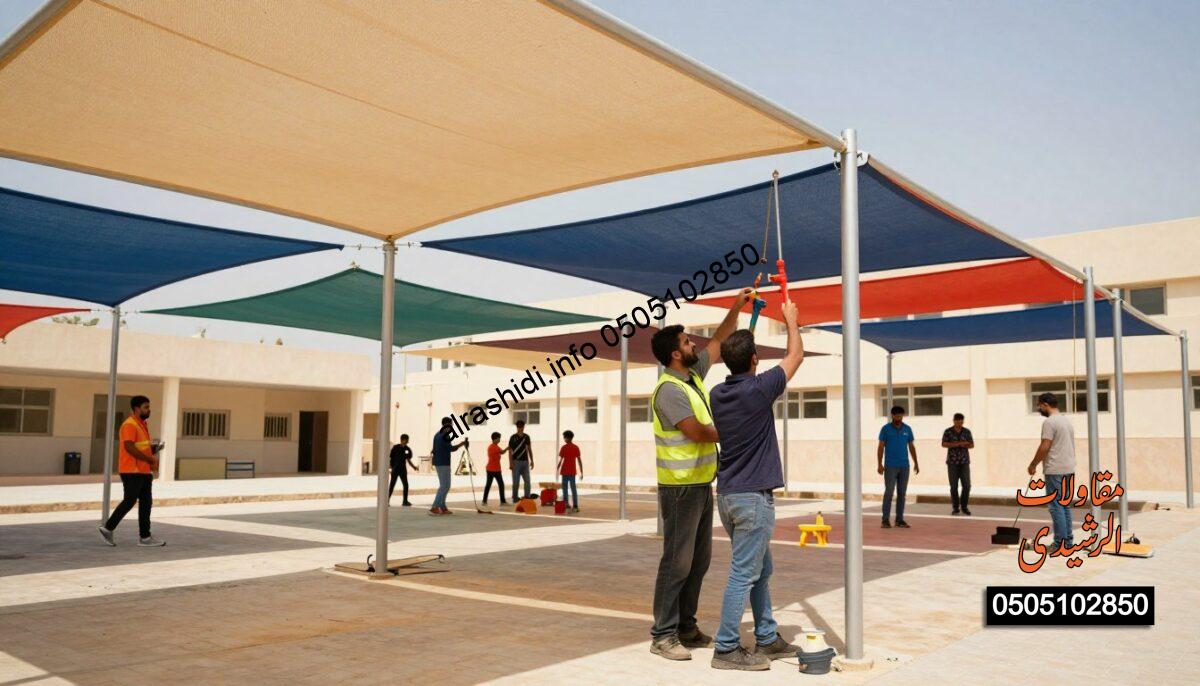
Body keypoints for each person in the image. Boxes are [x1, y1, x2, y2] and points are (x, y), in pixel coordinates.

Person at [647, 288, 751, 662]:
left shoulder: (691, 378)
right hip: (679, 490)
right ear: (676, 353)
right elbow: (696, 432)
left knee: (698, 561)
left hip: (700, 485)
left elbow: (721, 340)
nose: (695, 345)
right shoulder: (669, 389)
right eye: (688, 342)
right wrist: (736, 425)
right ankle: (662, 634)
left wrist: (738, 305)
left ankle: (686, 628)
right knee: (676, 562)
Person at [707, 300, 805, 671]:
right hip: (752, 499)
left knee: (760, 570)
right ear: (754, 361)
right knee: (744, 574)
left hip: (730, 497)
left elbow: (745, 371)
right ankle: (727, 648)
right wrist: (791, 321)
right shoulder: (759, 390)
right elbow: (795, 356)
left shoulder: (719, 393)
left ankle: (767, 637)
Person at [98, 395, 166, 546]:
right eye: (146, 407)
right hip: (132, 470)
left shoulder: (142, 425)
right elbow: (129, 447)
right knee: (130, 500)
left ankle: (145, 537)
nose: (149, 410)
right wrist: (149, 459)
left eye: (149, 407)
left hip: (143, 471)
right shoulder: (130, 425)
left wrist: (153, 449)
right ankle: (108, 528)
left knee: (146, 503)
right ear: (136, 408)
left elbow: (140, 446)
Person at [1028, 392, 1076, 552]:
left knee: (1056, 506)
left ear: (1045, 405)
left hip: (1055, 469)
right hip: (1068, 468)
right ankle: (1067, 541)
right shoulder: (1065, 420)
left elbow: (1045, 446)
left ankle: (1059, 543)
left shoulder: (1050, 422)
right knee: (1064, 506)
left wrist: (1033, 464)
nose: (1038, 408)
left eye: (1039, 405)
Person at [878, 405, 919, 528]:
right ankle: (885, 520)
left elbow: (911, 446)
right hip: (890, 466)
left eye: (901, 415)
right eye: (897, 415)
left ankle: (899, 519)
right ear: (892, 415)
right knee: (889, 492)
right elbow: (880, 447)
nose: (899, 417)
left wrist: (916, 462)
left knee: (902, 493)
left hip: (904, 466)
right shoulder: (885, 429)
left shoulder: (907, 429)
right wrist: (879, 464)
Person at [430, 417, 467, 515]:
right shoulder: (445, 436)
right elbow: (451, 448)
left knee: (445, 486)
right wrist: (462, 444)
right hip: (443, 463)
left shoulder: (437, 435)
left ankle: (442, 507)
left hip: (439, 462)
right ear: (447, 425)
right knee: (444, 486)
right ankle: (434, 507)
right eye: (451, 425)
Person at [941, 413, 974, 515]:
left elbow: (972, 445)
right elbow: (943, 444)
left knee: (967, 485)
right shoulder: (948, 431)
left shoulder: (967, 431)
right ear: (954, 421)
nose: (960, 423)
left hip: (964, 462)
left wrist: (966, 444)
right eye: (958, 421)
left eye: (961, 422)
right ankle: (956, 507)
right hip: (952, 463)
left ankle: (964, 507)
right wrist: (957, 444)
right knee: (954, 486)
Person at [508, 419, 534, 502]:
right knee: (516, 482)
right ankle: (515, 498)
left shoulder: (527, 437)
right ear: (517, 427)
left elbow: (529, 449)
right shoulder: (513, 437)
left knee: (527, 481)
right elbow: (510, 451)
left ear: (523, 427)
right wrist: (511, 463)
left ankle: (527, 497)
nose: (520, 428)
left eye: (522, 427)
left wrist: (532, 460)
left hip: (525, 462)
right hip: (516, 462)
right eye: (519, 427)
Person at [389, 433, 417, 506]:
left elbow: (408, 460)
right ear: (403, 440)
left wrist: (414, 467)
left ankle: (405, 501)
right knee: (392, 485)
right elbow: (391, 458)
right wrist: (391, 468)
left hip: (402, 470)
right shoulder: (395, 447)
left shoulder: (407, 449)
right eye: (407, 440)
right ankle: (387, 501)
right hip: (395, 469)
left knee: (405, 485)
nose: (407, 441)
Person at [557, 430, 582, 513]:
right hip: (572, 472)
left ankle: (566, 503)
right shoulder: (576, 447)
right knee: (573, 489)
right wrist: (581, 472)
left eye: (564, 437)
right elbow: (579, 460)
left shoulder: (563, 448)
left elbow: (560, 460)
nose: (564, 439)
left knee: (564, 489)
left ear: (567, 438)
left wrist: (557, 468)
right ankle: (575, 506)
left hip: (564, 472)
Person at [483, 431, 507, 506]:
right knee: (500, 484)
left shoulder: (494, 446)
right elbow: (502, 452)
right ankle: (502, 501)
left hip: (493, 469)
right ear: (495, 439)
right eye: (499, 438)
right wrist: (508, 448)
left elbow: (501, 452)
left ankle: (484, 501)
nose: (499, 440)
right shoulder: (493, 447)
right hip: (493, 470)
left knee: (489, 485)